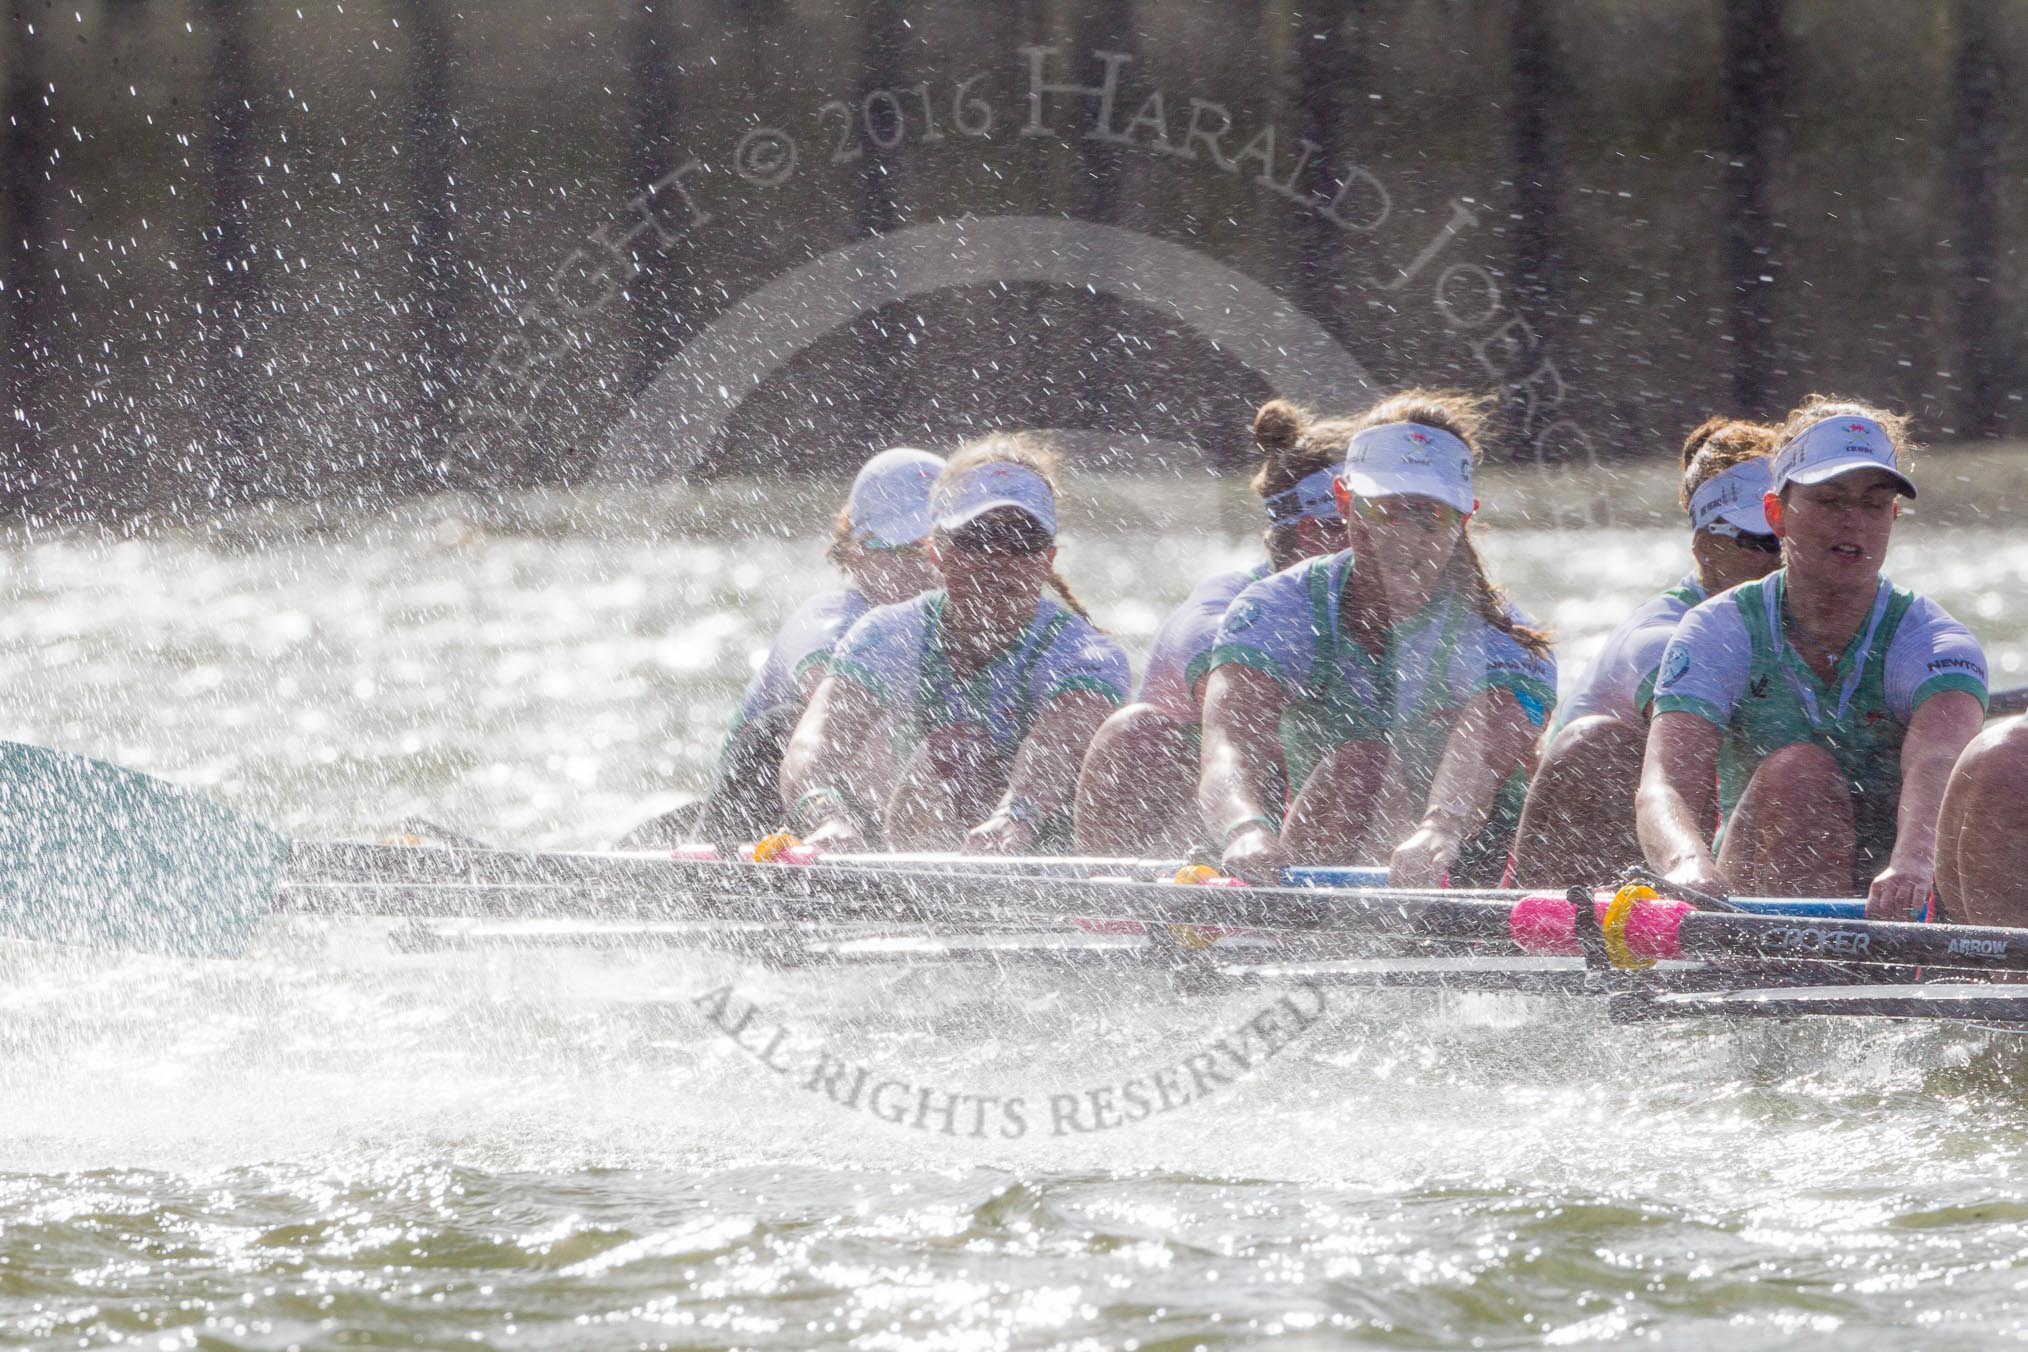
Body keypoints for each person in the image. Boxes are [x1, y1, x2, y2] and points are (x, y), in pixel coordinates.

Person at [1638, 399, 1988, 917]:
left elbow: (1938, 759)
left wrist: (1914, 861)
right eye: (1829, 500)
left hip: (1901, 899)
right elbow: (1663, 784)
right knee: (1802, 774)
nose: (1854, 523)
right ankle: (1798, 976)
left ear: (1893, 515)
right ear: (1777, 514)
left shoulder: (1934, 642)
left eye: (1873, 504)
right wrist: (1685, 862)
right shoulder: (1719, 628)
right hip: (1752, 897)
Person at [1198, 390, 1557, 887]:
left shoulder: (1504, 635)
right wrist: (1243, 829)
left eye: (1429, 517)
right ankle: (1299, 927)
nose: (1403, 538)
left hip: (1472, 868)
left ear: (1464, 518)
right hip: (1330, 849)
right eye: (1385, 511)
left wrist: (1441, 827)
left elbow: (1484, 750)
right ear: (1345, 501)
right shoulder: (1277, 608)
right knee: (1363, 768)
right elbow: (1227, 747)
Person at [780, 434, 1129, 854]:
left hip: (1044, 842)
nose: (998, 559)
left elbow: (1056, 750)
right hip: (922, 823)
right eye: (977, 536)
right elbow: (816, 742)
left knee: (964, 750)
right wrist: (825, 817)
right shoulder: (888, 633)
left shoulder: (1084, 654)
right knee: (776, 730)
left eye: (1021, 540)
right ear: (937, 552)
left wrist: (1016, 816)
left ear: (1047, 559)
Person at [1510, 418, 1781, 885]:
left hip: (1711, 861)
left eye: (1791, 534)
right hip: (1611, 874)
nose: (1781, 557)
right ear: (1705, 547)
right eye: (1759, 542)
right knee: (1602, 744)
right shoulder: (1659, 638)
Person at [1072, 399, 1346, 854]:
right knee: (1138, 729)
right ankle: (1116, 910)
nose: (1394, 540)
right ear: (1313, 532)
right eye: (1374, 520)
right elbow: (1255, 727)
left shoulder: (1433, 600)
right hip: (1228, 812)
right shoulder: (1221, 606)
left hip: (1346, 800)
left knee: (1365, 761)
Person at [632, 446, 943, 847]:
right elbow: (861, 753)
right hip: (765, 824)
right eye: (909, 551)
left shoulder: (970, 635)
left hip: (875, 822)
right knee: (781, 723)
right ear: (859, 554)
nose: (930, 567)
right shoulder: (829, 623)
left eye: (940, 548)